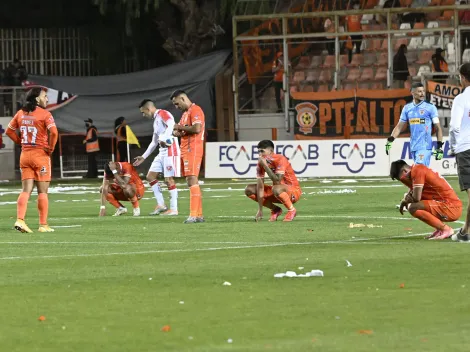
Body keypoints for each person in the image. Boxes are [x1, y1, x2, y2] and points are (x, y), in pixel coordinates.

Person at [5, 87, 58, 233]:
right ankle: (43, 225)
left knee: (25, 190)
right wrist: (51, 148)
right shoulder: (45, 114)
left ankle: (20, 220)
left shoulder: (21, 113)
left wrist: (20, 142)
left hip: (25, 155)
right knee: (42, 191)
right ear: (37, 99)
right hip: (40, 155)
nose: (47, 99)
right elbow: (54, 132)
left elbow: (9, 131)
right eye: (45, 96)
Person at [390, 160, 462, 240]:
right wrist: (406, 199)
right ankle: (440, 229)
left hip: (451, 207)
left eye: (400, 179)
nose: (403, 181)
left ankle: (446, 230)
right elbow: (413, 193)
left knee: (413, 207)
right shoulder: (416, 171)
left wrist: (405, 201)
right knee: (416, 205)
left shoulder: (417, 171)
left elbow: (416, 198)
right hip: (446, 204)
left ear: (404, 171)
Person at [134, 99, 180, 216]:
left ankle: (174, 209)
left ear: (148, 109)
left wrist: (165, 136)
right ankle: (161, 205)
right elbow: (154, 142)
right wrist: (143, 157)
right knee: (150, 176)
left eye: (143, 112)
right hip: (162, 151)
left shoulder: (163, 113)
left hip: (171, 150)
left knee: (168, 180)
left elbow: (171, 124)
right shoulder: (156, 121)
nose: (143, 115)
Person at [385, 82, 444, 166]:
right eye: (419, 91)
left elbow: (438, 128)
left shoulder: (430, 107)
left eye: (423, 91)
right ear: (412, 92)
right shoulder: (407, 108)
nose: (422, 93)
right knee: (421, 174)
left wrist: (439, 146)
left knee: (419, 171)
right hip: (413, 146)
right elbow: (399, 126)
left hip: (425, 146)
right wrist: (390, 139)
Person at [245, 140, 302, 222]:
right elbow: (260, 187)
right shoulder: (261, 163)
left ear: (270, 151)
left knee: (276, 188)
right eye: (258, 151)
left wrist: (265, 166)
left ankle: (292, 210)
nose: (260, 154)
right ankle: (275, 209)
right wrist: (260, 209)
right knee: (249, 189)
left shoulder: (280, 159)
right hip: (277, 192)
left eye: (262, 151)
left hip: (293, 191)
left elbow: (277, 180)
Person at [170, 90, 205, 223]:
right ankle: (199, 215)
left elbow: (196, 129)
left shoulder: (195, 110)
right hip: (185, 149)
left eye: (177, 103)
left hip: (193, 148)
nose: (176, 107)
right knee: (190, 180)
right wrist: (177, 132)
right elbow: (178, 130)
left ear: (183, 98)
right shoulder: (185, 114)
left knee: (191, 179)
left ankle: (193, 215)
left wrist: (179, 127)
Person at [449, 63, 470, 242]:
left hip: (466, 148)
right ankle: (464, 231)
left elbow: (455, 126)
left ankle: (464, 233)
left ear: (463, 77)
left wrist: (453, 145)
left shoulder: (461, 99)